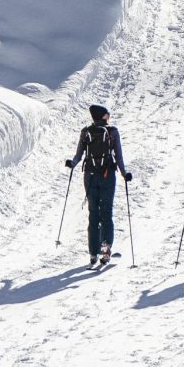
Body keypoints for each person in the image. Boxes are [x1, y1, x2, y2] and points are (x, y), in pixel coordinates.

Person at [65, 104, 132, 267]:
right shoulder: (112, 132)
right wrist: (124, 173)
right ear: (102, 116)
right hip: (107, 176)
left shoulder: (86, 132)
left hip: (90, 176)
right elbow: (119, 156)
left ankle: (93, 253)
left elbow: (79, 155)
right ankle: (106, 249)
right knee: (106, 212)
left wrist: (72, 164)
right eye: (107, 114)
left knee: (93, 213)